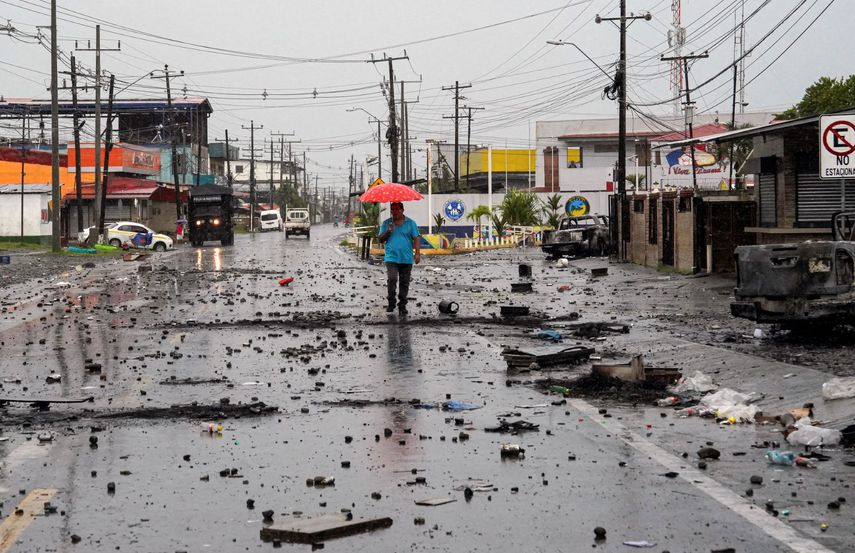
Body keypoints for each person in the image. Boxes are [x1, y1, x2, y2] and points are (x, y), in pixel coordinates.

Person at [378, 201, 421, 314]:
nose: (394, 211)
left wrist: (417, 253)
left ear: (402, 210)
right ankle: (391, 302)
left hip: (406, 258)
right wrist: (388, 231)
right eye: (392, 209)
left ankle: (402, 305)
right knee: (392, 279)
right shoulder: (386, 223)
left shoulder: (411, 223)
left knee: (404, 282)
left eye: (397, 209)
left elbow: (416, 238)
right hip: (391, 258)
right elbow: (380, 239)